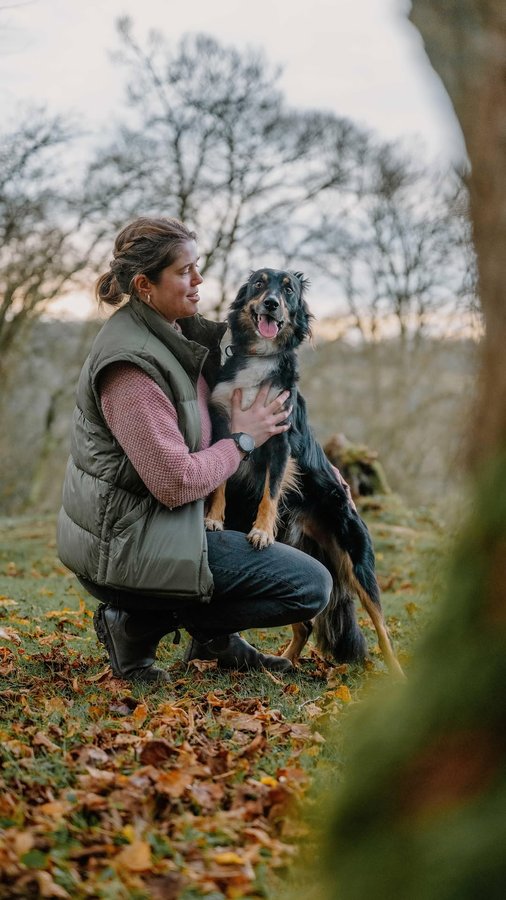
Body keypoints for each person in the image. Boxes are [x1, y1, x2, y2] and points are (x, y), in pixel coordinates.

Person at [57, 216, 332, 683]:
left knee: (268, 524)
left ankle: (214, 640)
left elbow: (266, 371)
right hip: (129, 544)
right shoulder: (130, 368)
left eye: (198, 267)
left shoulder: (177, 331)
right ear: (145, 285)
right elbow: (174, 481)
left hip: (160, 527)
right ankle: (135, 624)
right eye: (186, 271)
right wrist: (242, 440)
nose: (199, 280)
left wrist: (323, 467)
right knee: (309, 585)